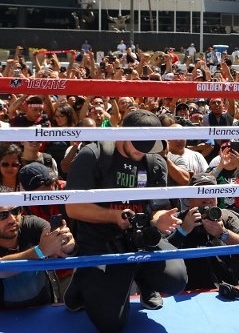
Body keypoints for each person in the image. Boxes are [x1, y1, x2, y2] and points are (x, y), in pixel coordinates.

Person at [63, 109, 188, 333]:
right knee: (111, 324)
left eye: (148, 145)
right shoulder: (93, 155)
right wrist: (113, 216)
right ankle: (83, 280)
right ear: (121, 131)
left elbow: (157, 208)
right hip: (99, 242)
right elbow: (73, 208)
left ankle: (143, 281)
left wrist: (159, 219)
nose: (142, 151)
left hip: (140, 239)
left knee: (176, 278)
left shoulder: (155, 161)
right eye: (138, 144)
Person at [168, 173, 239, 290]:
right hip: (187, 291)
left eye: (212, 191)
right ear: (189, 198)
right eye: (201, 192)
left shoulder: (227, 217)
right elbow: (160, 257)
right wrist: (182, 231)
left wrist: (223, 234)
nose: (207, 197)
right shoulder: (176, 219)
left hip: (227, 289)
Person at [0, 189, 76, 309]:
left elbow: (52, 236)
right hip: (4, 316)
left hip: (44, 308)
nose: (12, 219)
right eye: (2, 215)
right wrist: (40, 251)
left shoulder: (31, 223)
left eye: (15, 211)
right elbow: (2, 270)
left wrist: (66, 245)